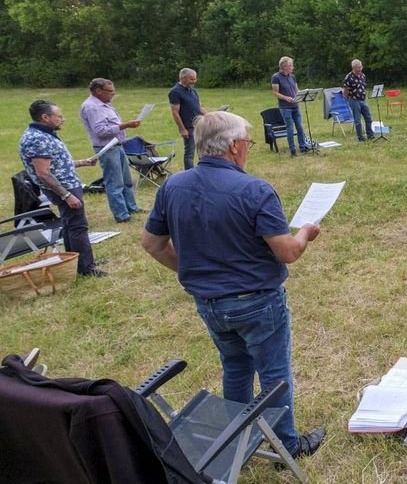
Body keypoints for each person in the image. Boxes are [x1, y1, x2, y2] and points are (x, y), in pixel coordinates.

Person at [140, 111, 326, 461]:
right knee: (275, 376)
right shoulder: (254, 190)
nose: (248, 150)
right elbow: (286, 252)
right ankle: (286, 446)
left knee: (236, 367)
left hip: (209, 302)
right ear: (235, 147)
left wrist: (194, 271)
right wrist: (305, 232)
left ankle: (236, 438)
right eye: (248, 143)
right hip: (257, 302)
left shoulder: (173, 186)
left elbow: (151, 243)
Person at [18, 100, 106, 277]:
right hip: (64, 189)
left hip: (66, 185)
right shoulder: (37, 139)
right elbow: (43, 173)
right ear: (45, 117)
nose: (63, 119)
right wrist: (67, 195)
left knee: (69, 225)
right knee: (78, 226)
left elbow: (56, 164)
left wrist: (82, 162)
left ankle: (75, 261)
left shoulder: (44, 134)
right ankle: (87, 268)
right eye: (59, 116)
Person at [79, 78, 143, 223]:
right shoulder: (92, 107)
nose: (113, 95)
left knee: (126, 180)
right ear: (98, 91)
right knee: (115, 182)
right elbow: (100, 131)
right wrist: (125, 125)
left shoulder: (103, 104)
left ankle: (131, 207)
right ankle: (121, 215)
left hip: (117, 145)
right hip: (107, 148)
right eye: (110, 92)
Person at [169, 67, 207, 170]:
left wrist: (211, 116)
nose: (194, 81)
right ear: (183, 78)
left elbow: (198, 107)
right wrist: (182, 129)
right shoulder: (175, 92)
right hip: (188, 127)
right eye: (192, 79)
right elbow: (175, 112)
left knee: (202, 151)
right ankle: (189, 174)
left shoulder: (193, 90)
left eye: (195, 79)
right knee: (189, 154)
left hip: (199, 125)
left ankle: (203, 171)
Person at [271, 56, 309, 157]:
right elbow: (275, 92)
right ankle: (293, 150)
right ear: (284, 66)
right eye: (290, 65)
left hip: (295, 105)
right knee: (290, 128)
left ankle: (302, 147)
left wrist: (302, 94)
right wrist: (285, 98)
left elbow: (296, 90)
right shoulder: (276, 77)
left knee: (300, 127)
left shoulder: (292, 76)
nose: (292, 67)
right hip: (285, 107)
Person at [343, 59, 375, 141]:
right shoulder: (348, 77)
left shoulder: (363, 75)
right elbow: (345, 90)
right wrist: (348, 100)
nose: (360, 69)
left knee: (368, 118)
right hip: (354, 100)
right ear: (353, 67)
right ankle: (360, 138)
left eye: (361, 67)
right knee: (357, 120)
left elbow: (363, 86)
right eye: (358, 67)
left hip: (363, 99)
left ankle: (370, 135)